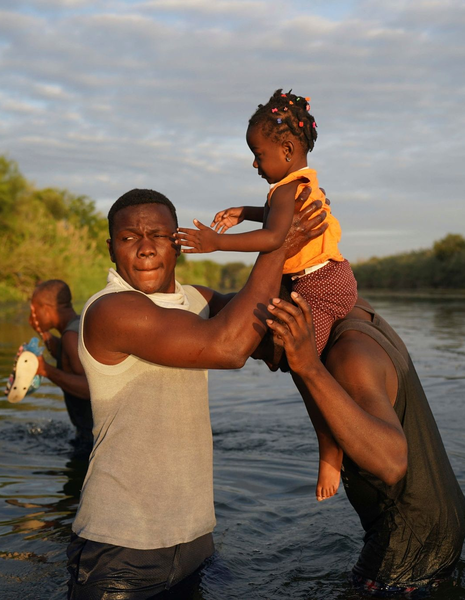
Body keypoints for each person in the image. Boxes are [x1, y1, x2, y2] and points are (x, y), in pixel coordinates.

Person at [67, 188, 326, 599]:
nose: (146, 248)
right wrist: (276, 245)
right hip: (120, 552)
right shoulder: (110, 310)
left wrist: (310, 257)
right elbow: (228, 347)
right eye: (129, 238)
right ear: (111, 249)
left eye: (158, 235)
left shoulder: (198, 299)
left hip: (194, 541)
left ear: (179, 242)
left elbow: (264, 339)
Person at [175, 89, 356, 502]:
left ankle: (331, 449)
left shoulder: (287, 190)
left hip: (320, 286)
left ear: (288, 150)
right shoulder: (295, 185)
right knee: (292, 355)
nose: (254, 164)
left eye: (258, 155)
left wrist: (216, 243)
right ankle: (330, 443)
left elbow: (276, 235)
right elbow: (276, 216)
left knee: (305, 365)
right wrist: (245, 210)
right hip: (319, 279)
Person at [256, 288, 465, 596]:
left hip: (408, 542)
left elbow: (392, 463)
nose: (268, 364)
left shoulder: (349, 356)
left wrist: (309, 366)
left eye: (260, 350)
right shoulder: (354, 311)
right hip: (439, 521)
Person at [28, 279, 93, 453]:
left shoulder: (71, 336)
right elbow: (68, 360)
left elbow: (91, 388)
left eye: (34, 310)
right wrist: (42, 332)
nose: (31, 315)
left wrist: (45, 370)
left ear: (46, 309)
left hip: (93, 440)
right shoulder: (77, 325)